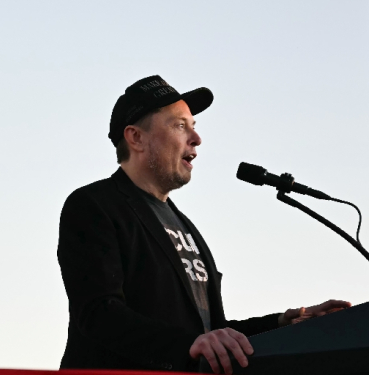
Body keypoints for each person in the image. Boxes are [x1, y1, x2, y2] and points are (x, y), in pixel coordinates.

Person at [56, 75, 350, 374]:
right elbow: (99, 314)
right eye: (180, 125)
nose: (196, 139)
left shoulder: (184, 225)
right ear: (136, 137)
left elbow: (211, 332)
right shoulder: (94, 205)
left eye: (194, 127)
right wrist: (185, 347)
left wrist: (284, 323)